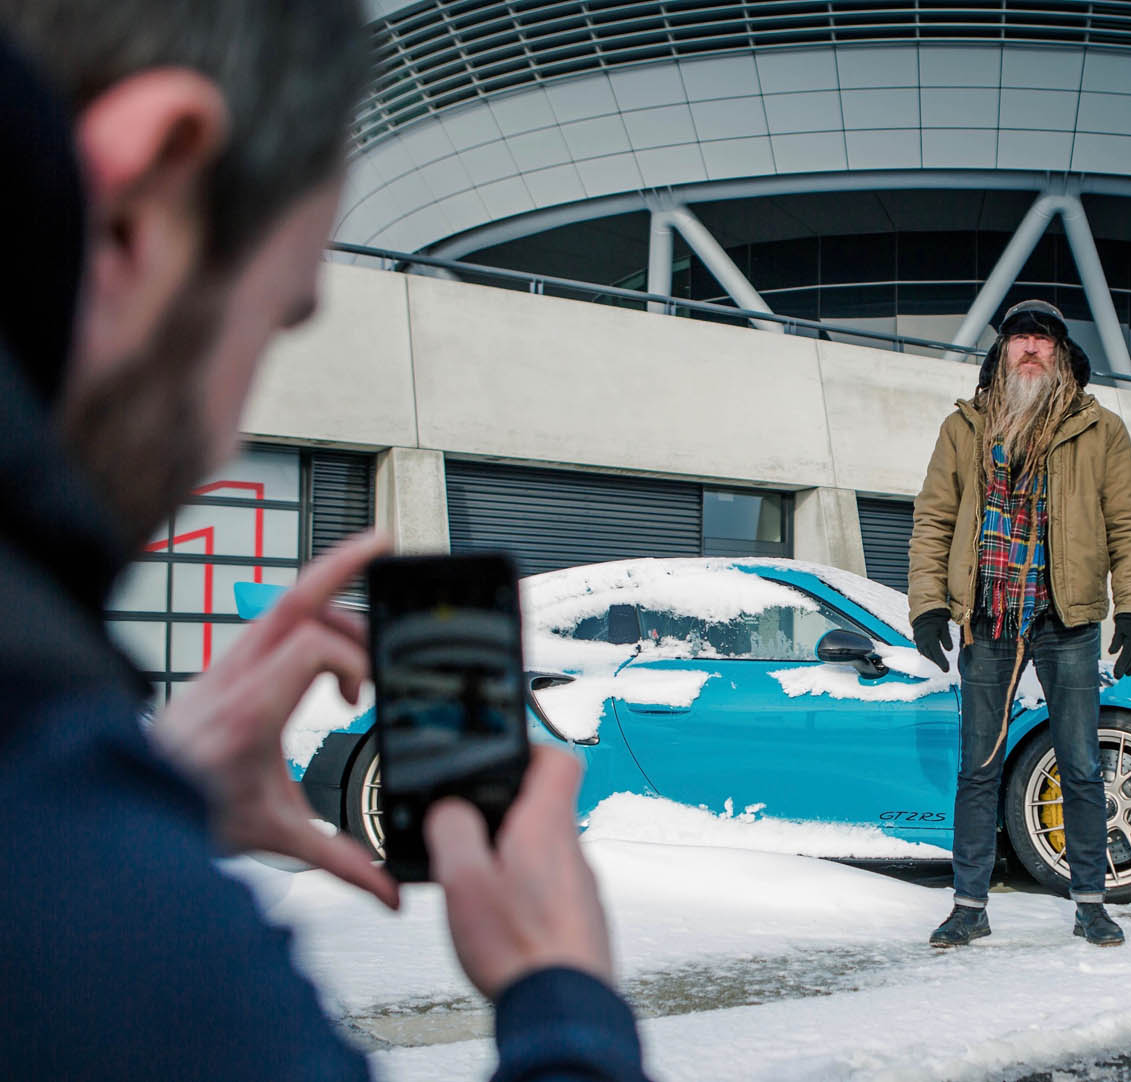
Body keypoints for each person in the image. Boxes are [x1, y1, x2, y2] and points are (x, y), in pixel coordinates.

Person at [0, 4, 648, 1079]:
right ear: (135, 212)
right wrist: (562, 994)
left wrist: (142, 785)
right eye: (272, 320)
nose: (233, 433)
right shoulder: (114, 920)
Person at [907, 299, 1131, 949]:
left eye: (1043, 339)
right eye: (1020, 337)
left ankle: (1091, 904)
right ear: (1002, 350)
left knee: (1079, 764)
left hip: (1066, 618)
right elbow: (934, 521)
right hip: (988, 617)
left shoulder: (1100, 430)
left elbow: (1129, 526)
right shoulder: (964, 427)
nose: (1031, 349)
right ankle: (969, 905)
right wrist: (929, 604)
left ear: (1061, 354)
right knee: (977, 767)